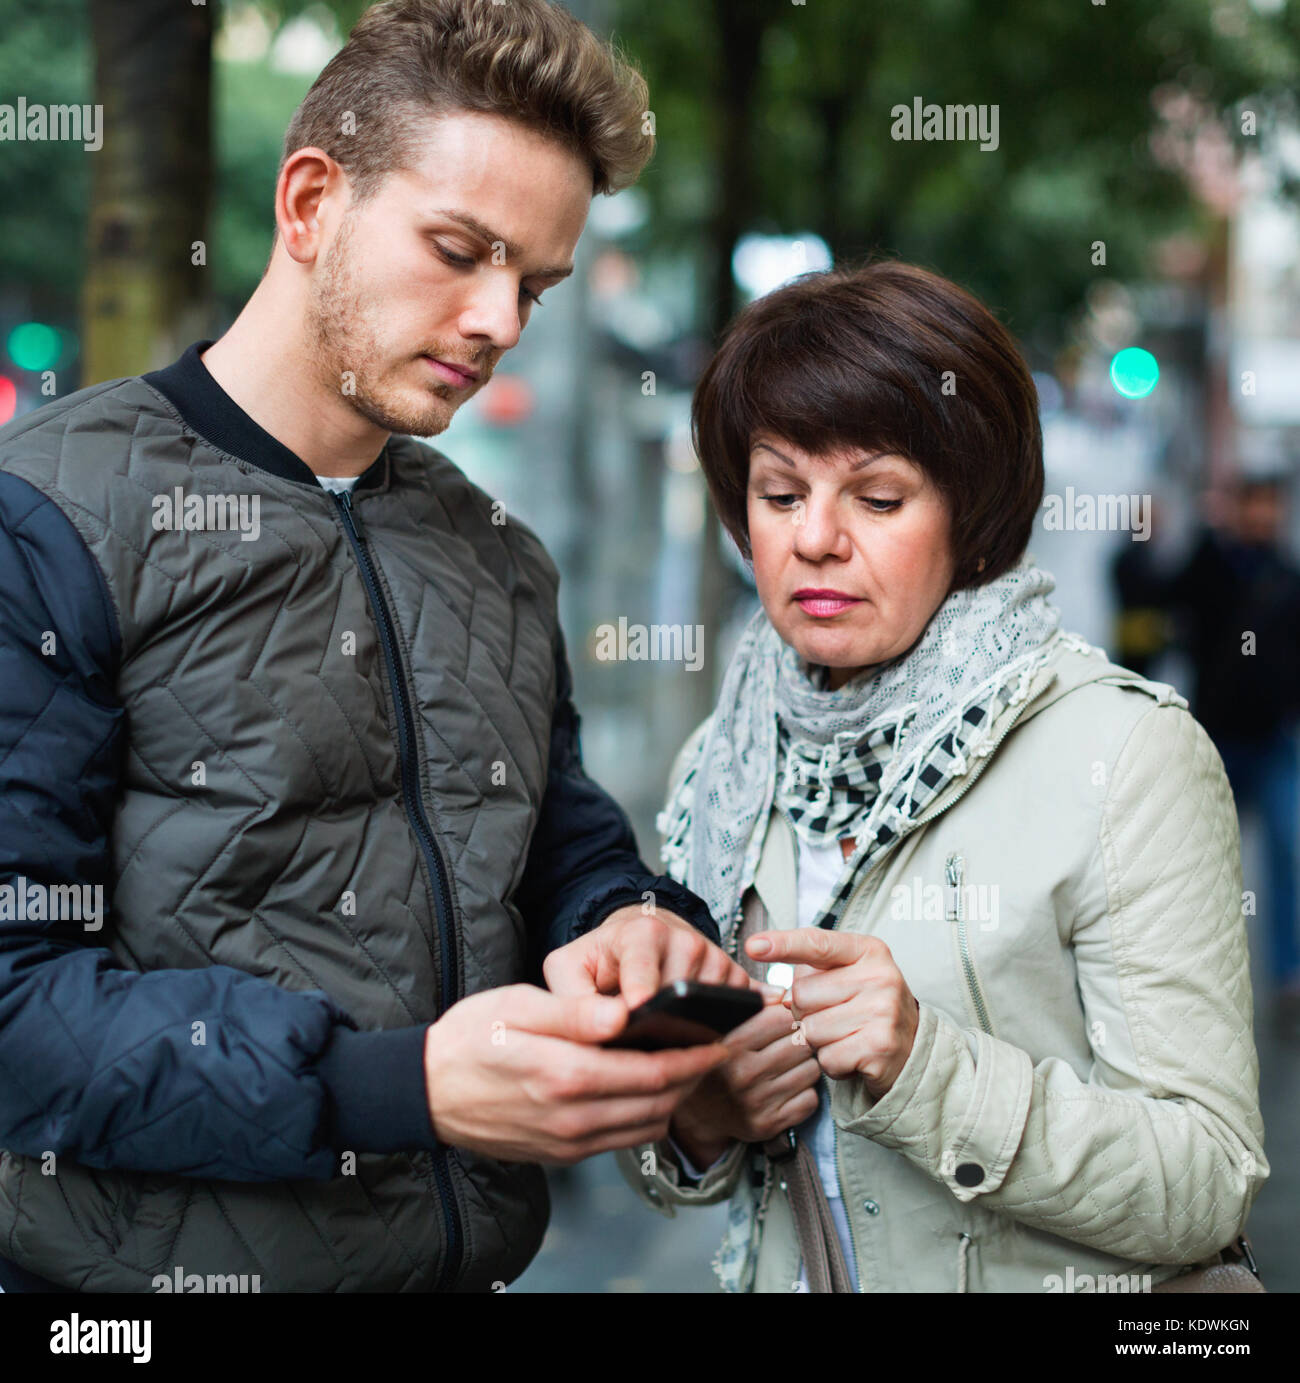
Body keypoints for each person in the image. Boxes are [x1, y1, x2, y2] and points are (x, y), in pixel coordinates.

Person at [0, 0, 748, 1294]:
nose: (500, 317)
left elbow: (554, 837)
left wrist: (623, 919)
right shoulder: (46, 517)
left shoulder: (498, 551)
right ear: (308, 203)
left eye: (536, 282)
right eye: (460, 250)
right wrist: (395, 1087)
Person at [618, 261, 1269, 1293]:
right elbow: (684, 1159)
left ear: (971, 518)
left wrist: (928, 1066)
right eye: (779, 493)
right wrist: (702, 1117)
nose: (816, 537)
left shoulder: (1120, 755)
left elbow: (1205, 1177)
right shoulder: (725, 762)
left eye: (877, 497)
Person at [1160, 475, 1300, 1037]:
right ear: (1237, 509)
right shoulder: (1209, 565)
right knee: (1209, 862)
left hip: (1273, 742)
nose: (1264, 516)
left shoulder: (1287, 578)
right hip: (1215, 738)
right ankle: (1204, 975)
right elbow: (1160, 599)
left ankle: (1289, 975)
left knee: (1288, 854)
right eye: (1255, 504)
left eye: (1272, 506)